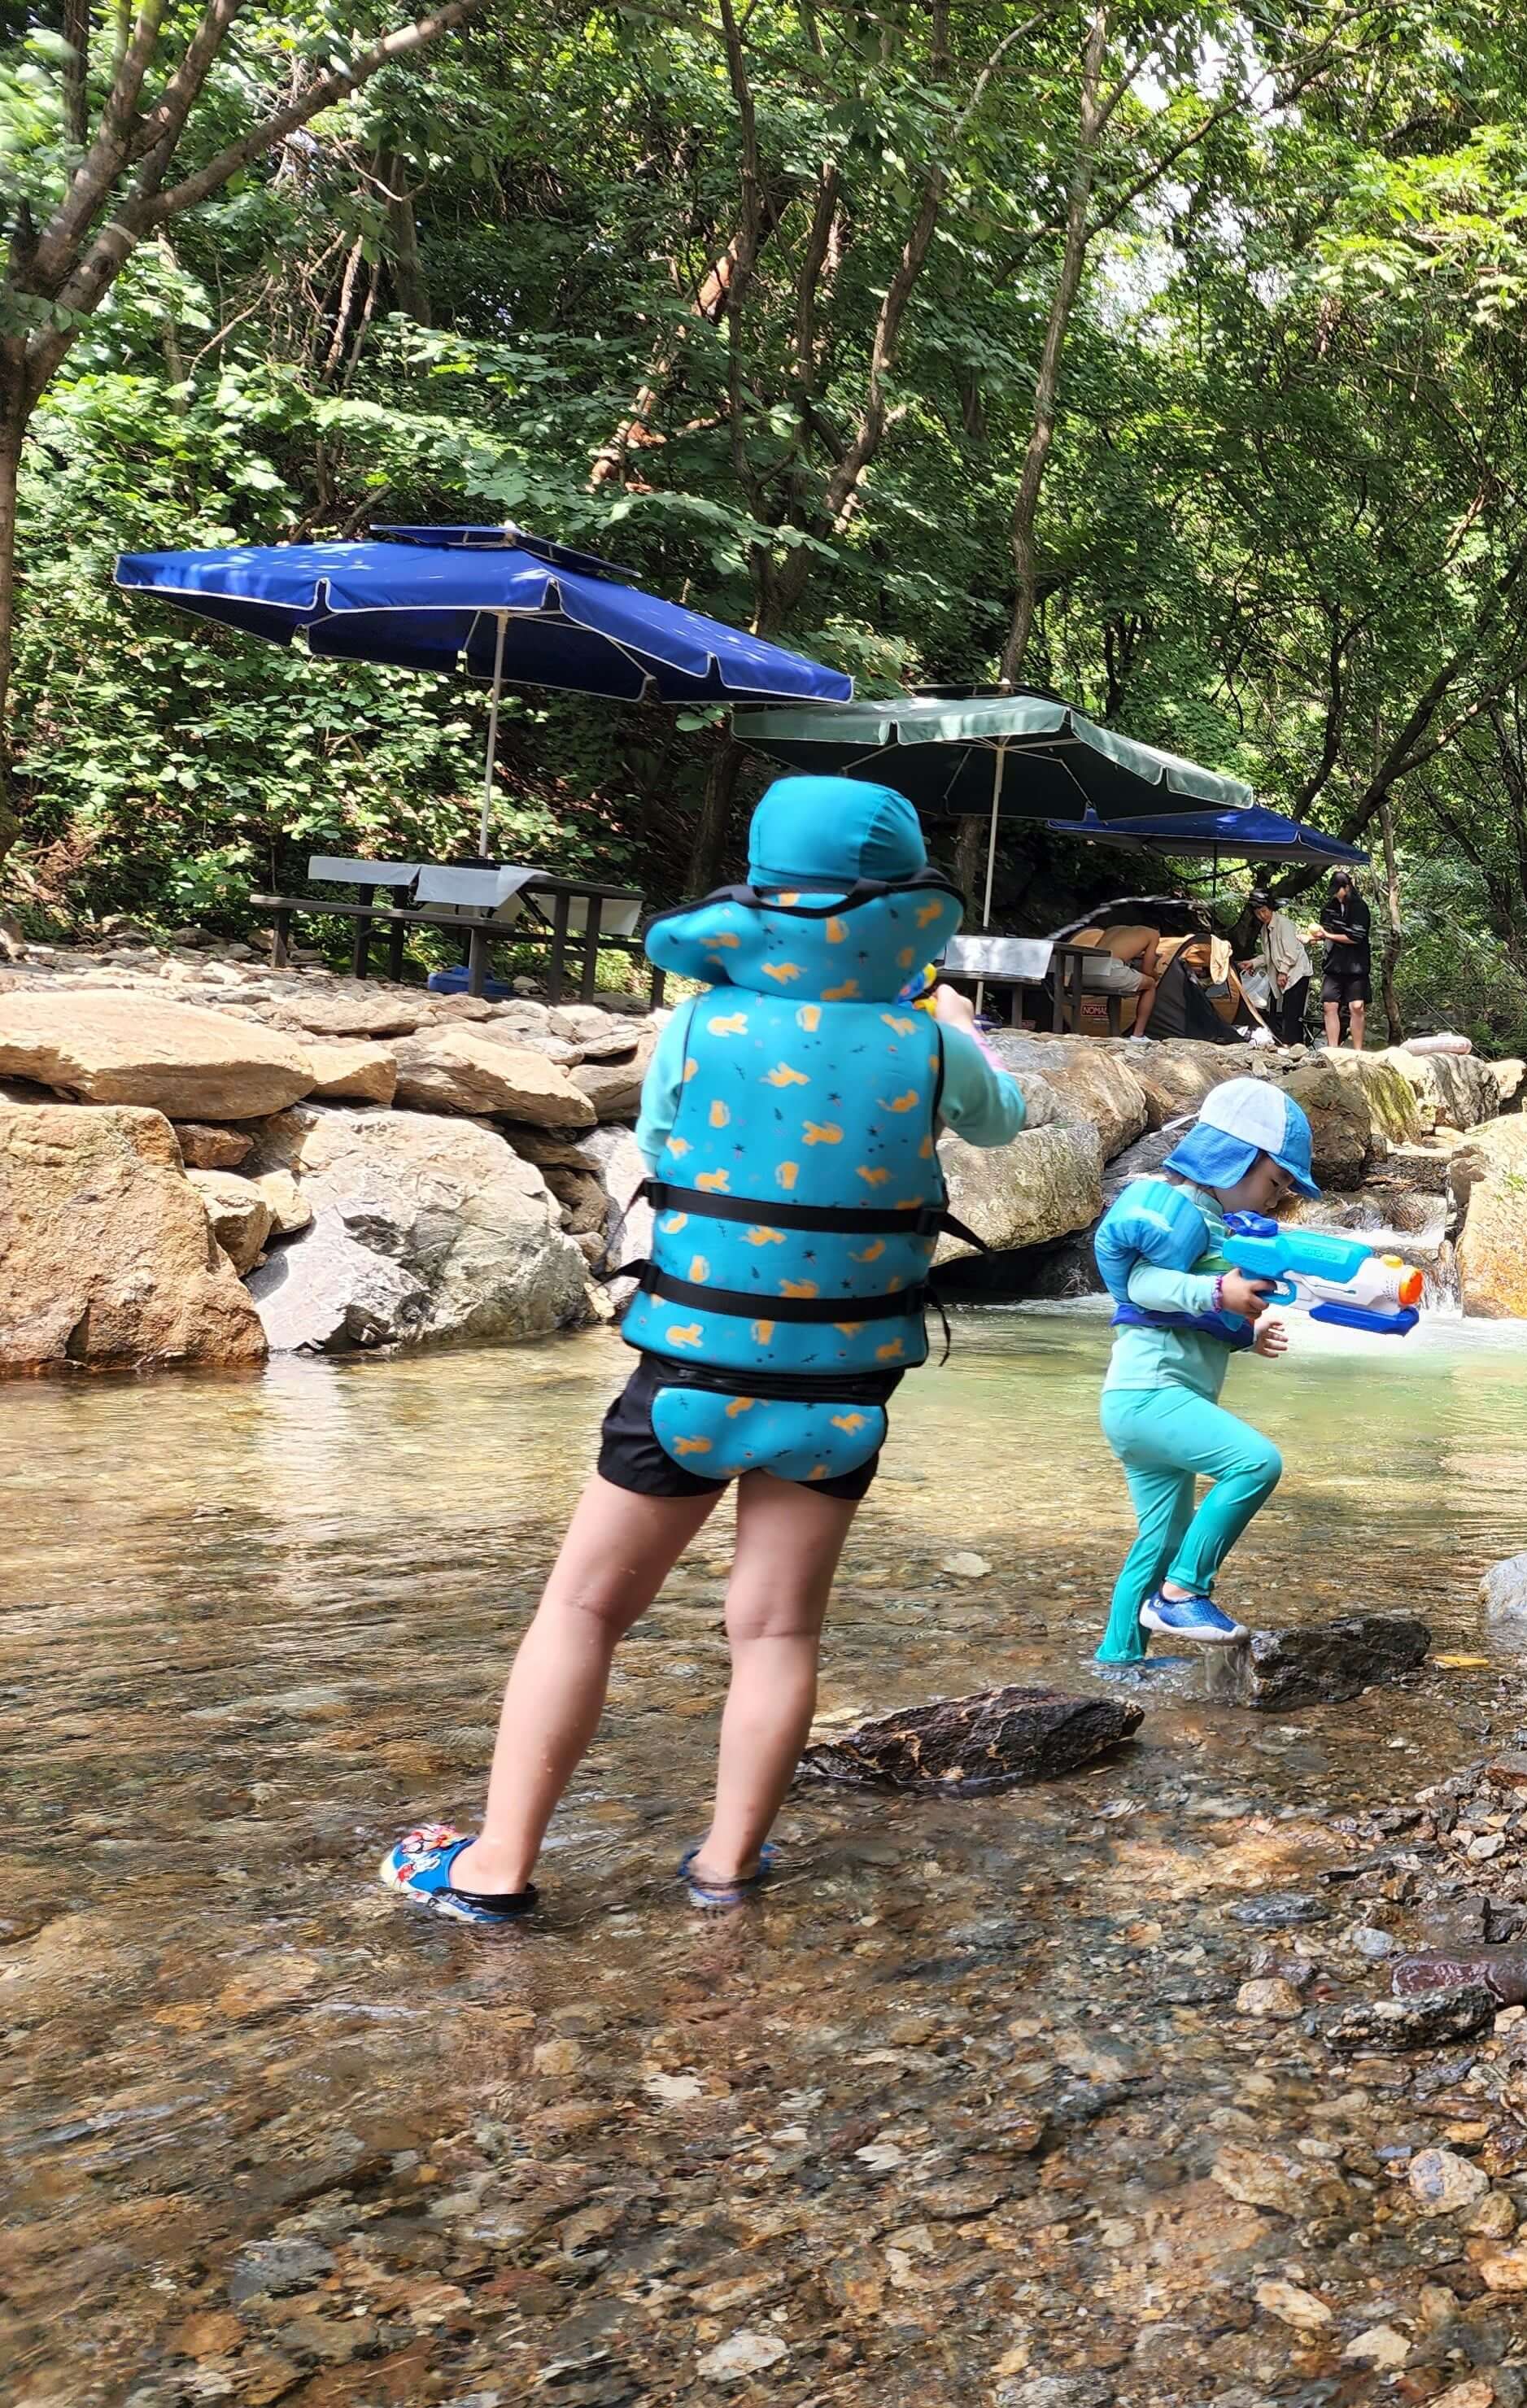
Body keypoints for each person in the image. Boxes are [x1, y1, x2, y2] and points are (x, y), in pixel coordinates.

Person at [378, 777, 1028, 1923]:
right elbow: (1002, 1126)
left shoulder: (696, 1023)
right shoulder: (931, 1043)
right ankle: (727, 1868)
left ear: (764, 899)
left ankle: (494, 1871)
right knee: (778, 1628)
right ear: (902, 910)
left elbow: (671, 1144)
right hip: (841, 1388)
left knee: (583, 1611)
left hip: (693, 1372)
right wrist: (959, 1033)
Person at [1090, 1075, 1312, 1661]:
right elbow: (1142, 1285)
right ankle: (1184, 1594)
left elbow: (1193, 1314)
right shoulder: (1182, 1209)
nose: (1274, 1197)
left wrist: (1249, 1327)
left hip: (1141, 1402)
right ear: (1235, 1156)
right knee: (1256, 1463)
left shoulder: (1213, 1223)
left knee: (1160, 1541)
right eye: (1274, 1181)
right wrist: (1219, 1293)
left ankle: (1120, 1662)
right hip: (1151, 1395)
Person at [1311, 870, 1372, 1049]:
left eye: (1339, 890)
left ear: (1347, 887)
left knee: (1357, 1007)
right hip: (1333, 964)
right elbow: (1325, 931)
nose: (1337, 895)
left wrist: (1328, 935)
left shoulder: (1360, 907)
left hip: (1356, 965)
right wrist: (1313, 938)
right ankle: (1332, 1049)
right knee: (1330, 1006)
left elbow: (1355, 937)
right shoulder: (1330, 907)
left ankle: (1358, 1050)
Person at [1250, 888, 1315, 1044]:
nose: (1262, 916)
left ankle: (1295, 1046)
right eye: (1258, 913)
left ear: (1270, 907)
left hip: (1298, 973)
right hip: (1285, 975)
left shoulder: (1283, 924)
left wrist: (1283, 972)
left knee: (1293, 1014)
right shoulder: (1265, 930)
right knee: (1286, 1012)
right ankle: (1288, 1043)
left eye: (1264, 911)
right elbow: (1270, 956)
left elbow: (1291, 952)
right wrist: (1253, 963)